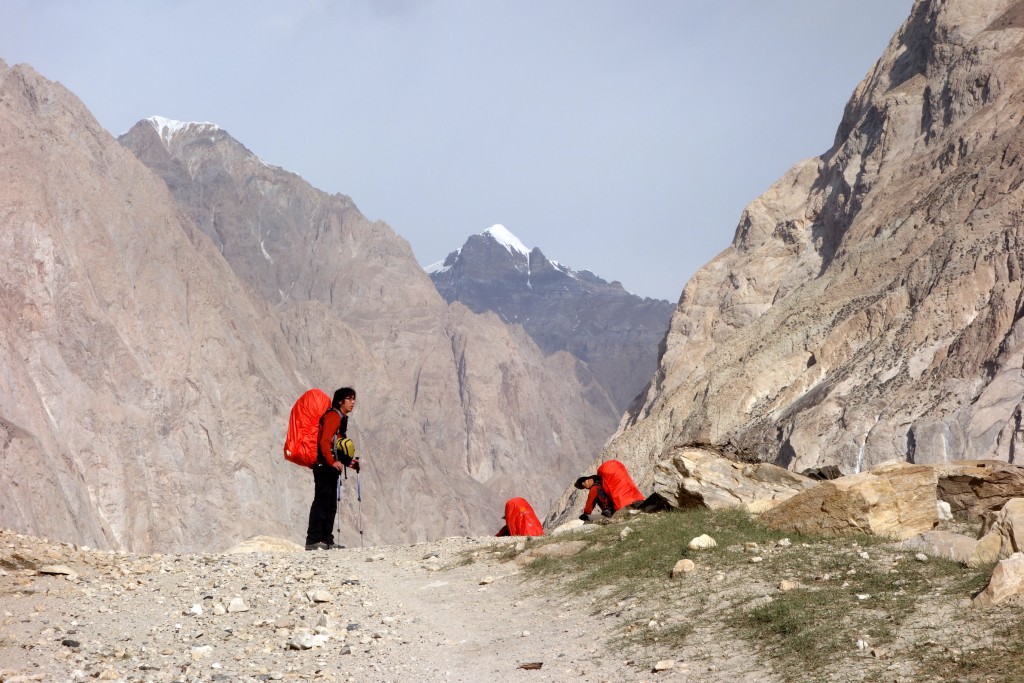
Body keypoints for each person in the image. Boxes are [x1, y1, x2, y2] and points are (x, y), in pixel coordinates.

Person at [305, 387, 360, 550]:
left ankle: (326, 540)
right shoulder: (333, 417)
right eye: (349, 399)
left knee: (330, 504)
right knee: (322, 502)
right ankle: (313, 539)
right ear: (340, 401)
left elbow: (338, 445)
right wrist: (331, 461)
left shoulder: (340, 419)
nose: (353, 402)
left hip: (330, 466)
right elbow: (324, 441)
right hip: (324, 466)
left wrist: (349, 463)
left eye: (353, 399)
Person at [575, 459, 644, 521]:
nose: (585, 485)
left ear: (587, 478)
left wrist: (586, 514)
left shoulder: (595, 488)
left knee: (591, 519)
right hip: (631, 501)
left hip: (610, 512)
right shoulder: (601, 481)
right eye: (583, 486)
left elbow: (590, 503)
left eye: (583, 482)